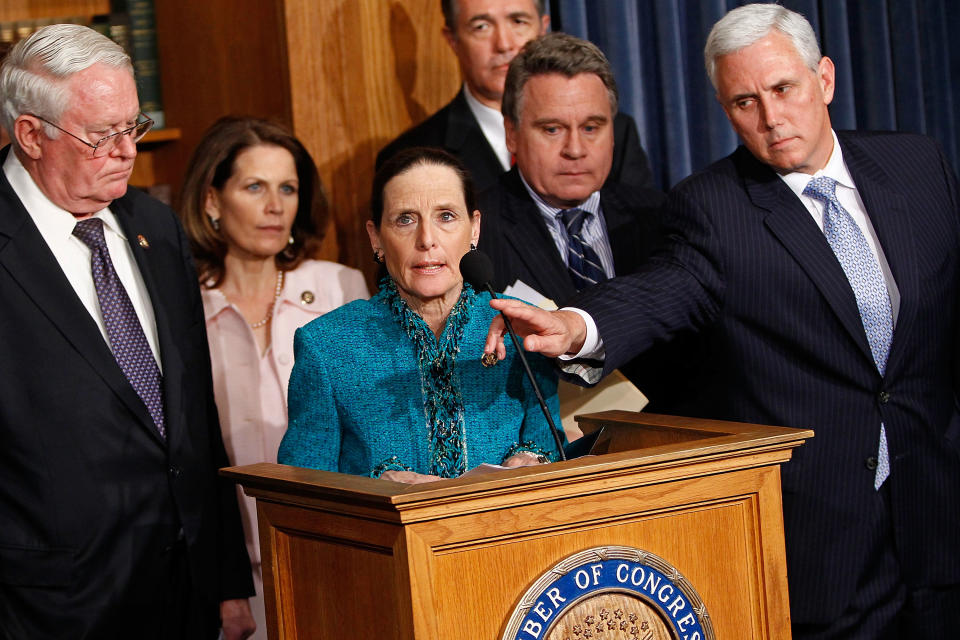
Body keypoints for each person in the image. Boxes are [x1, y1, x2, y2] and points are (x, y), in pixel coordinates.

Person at [484, 4, 960, 638]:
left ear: (824, 79)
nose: (769, 117)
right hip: (826, 538)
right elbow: (662, 291)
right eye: (743, 102)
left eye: (782, 89)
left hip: (940, 508)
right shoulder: (713, 208)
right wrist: (576, 325)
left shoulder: (918, 166)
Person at [0, 24, 254, 639]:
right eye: (100, 134)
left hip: (181, 594)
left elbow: (192, 411)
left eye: (132, 127)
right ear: (30, 135)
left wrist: (224, 579)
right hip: (42, 609)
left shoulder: (155, 226)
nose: (125, 151)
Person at [178, 116, 369, 636]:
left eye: (287, 188)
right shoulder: (180, 304)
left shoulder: (338, 287)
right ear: (213, 200)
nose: (275, 206)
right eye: (254, 187)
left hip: (336, 552)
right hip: (228, 577)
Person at [278, 147, 561, 482]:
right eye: (405, 219)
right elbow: (301, 494)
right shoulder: (327, 346)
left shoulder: (521, 323)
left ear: (474, 228)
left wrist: (534, 459)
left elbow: (550, 441)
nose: (427, 240)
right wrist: (377, 492)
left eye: (446, 216)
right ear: (376, 238)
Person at [375, 0, 655, 193]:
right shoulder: (412, 156)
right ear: (453, 40)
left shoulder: (616, 131)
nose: (505, 44)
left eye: (518, 21)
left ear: (543, 27)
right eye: (481, 26)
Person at [477, 32, 664, 306]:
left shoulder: (661, 219)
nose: (575, 150)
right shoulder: (474, 233)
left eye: (591, 128)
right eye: (552, 129)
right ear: (512, 134)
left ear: (612, 132)